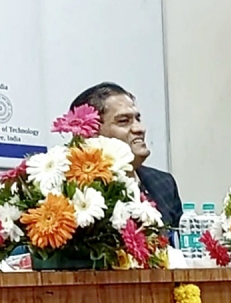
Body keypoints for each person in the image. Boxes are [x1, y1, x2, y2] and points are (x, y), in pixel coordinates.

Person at [70, 82, 183, 227]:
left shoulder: (164, 183)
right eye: (124, 121)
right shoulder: (76, 190)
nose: (139, 129)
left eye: (138, 119)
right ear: (90, 134)